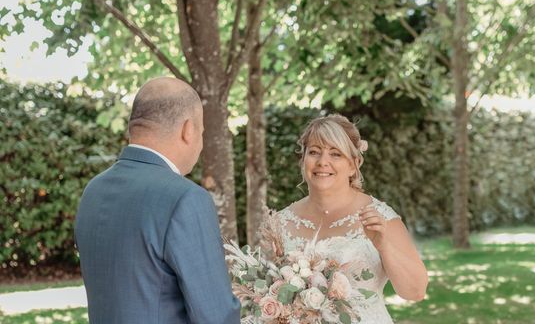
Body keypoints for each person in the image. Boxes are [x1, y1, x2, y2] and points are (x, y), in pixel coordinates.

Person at [75, 77, 240, 323]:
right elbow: (216, 315)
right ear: (188, 130)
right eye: (202, 132)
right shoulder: (186, 198)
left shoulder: (93, 190)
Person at [274, 114, 428, 323]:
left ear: (353, 164)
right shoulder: (280, 223)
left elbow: (415, 291)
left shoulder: (380, 217)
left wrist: (384, 246)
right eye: (314, 152)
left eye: (335, 154)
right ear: (303, 161)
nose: (323, 162)